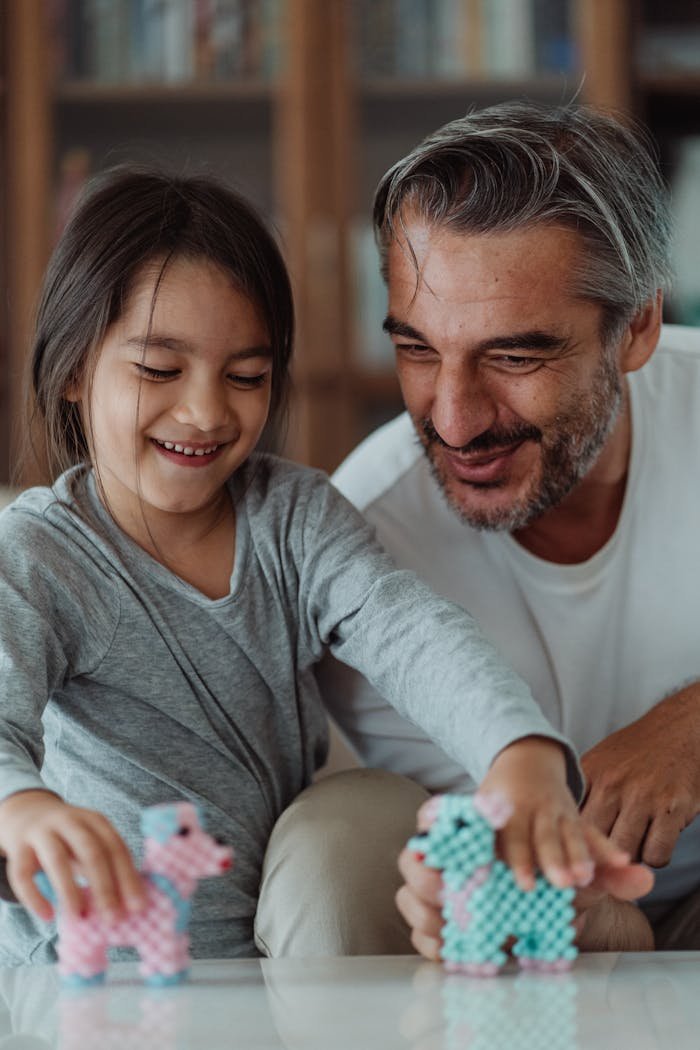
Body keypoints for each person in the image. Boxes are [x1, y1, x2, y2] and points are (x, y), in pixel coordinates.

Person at [0, 166, 633, 968]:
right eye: (159, 371)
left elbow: (408, 629)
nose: (205, 411)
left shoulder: (294, 517)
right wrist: (20, 808)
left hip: (258, 971)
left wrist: (519, 751)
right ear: (73, 372)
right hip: (82, 981)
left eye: (247, 377)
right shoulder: (39, 553)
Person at [283, 99, 700, 957]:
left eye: (514, 357)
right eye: (418, 350)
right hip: (577, 926)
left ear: (638, 328)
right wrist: (587, 920)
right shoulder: (365, 540)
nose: (457, 421)